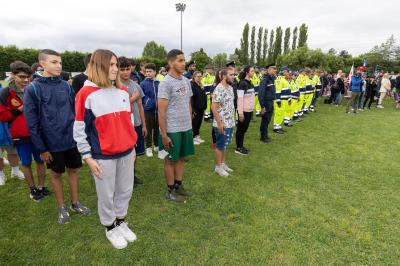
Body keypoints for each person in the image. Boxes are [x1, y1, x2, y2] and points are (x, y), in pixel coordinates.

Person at [74, 49, 138, 250]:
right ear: (98, 66)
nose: (115, 69)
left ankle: (120, 221)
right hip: (103, 157)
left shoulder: (122, 92)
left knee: (125, 190)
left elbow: (129, 121)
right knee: (106, 194)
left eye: (116, 64)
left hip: (127, 153)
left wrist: (132, 145)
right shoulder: (85, 94)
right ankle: (110, 227)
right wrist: (88, 157)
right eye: (110, 64)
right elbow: (79, 128)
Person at [24, 49, 91, 224]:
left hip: (71, 140)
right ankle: (62, 207)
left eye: (60, 62)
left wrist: (78, 137)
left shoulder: (65, 85)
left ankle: (75, 203)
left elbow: (74, 112)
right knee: (55, 174)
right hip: (51, 142)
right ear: (42, 64)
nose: (59, 65)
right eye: (54, 62)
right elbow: (32, 123)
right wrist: (42, 149)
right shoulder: (33, 88)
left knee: (73, 171)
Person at [0, 61, 50, 201]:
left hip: (38, 132)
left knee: (41, 161)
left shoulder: (34, 88)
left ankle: (40, 187)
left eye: (28, 77)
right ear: (13, 75)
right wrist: (20, 109)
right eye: (22, 77)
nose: (26, 80)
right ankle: (32, 189)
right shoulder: (5, 92)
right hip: (20, 135)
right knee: (26, 163)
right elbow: (3, 116)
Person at [158, 49, 194, 203]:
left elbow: (188, 104)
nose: (183, 63)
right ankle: (170, 190)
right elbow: (161, 111)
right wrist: (164, 134)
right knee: (170, 160)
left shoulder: (186, 81)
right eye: (180, 60)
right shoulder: (165, 83)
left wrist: (190, 125)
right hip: (171, 129)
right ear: (170, 63)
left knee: (181, 158)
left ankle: (179, 185)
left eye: (184, 60)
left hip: (185, 127)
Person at [118, 56, 147, 185]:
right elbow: (116, 106)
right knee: (123, 154)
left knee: (135, 152)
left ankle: (132, 175)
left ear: (131, 69)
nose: (125, 72)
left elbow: (140, 106)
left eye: (127, 69)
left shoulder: (136, 85)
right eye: (122, 69)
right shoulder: (114, 86)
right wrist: (131, 99)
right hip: (122, 126)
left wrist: (144, 125)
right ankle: (122, 178)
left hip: (136, 124)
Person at [211, 68, 235, 177]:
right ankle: (218, 167)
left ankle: (222, 163)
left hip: (229, 122)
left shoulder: (230, 88)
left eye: (234, 74)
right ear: (224, 76)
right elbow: (213, 107)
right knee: (220, 146)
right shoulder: (219, 89)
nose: (233, 76)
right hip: (221, 124)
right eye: (231, 75)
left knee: (225, 145)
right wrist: (220, 123)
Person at [140, 63, 160, 158]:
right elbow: (142, 97)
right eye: (146, 72)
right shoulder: (143, 84)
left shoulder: (158, 83)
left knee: (157, 128)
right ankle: (148, 147)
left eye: (150, 71)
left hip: (158, 111)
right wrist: (148, 103)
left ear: (155, 72)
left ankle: (156, 145)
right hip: (147, 111)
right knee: (148, 129)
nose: (147, 73)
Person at [235, 65, 255, 155]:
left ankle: (241, 146)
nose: (253, 73)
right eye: (252, 71)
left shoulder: (250, 82)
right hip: (244, 111)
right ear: (247, 72)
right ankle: (238, 148)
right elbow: (240, 99)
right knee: (240, 130)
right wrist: (240, 113)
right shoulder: (242, 83)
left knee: (244, 130)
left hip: (249, 110)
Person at [258, 64, 277, 142]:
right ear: (268, 69)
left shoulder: (270, 78)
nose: (275, 70)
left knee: (268, 120)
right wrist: (262, 106)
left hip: (271, 102)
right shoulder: (265, 79)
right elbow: (261, 94)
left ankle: (265, 135)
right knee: (265, 120)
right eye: (273, 69)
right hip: (266, 103)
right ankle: (263, 137)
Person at [190, 71, 207, 145]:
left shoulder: (201, 85)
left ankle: (197, 136)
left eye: (201, 76)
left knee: (199, 123)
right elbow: (191, 99)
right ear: (194, 77)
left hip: (201, 108)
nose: (200, 78)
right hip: (195, 108)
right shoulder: (192, 85)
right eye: (198, 76)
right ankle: (193, 138)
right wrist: (192, 110)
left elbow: (204, 96)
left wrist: (205, 105)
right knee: (194, 123)